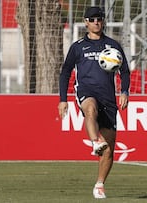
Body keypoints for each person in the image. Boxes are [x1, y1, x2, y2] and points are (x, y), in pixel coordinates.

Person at [58, 6, 130, 199]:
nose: (96, 22)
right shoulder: (78, 46)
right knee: (90, 110)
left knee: (108, 151)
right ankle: (94, 141)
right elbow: (65, 72)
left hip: (108, 97)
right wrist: (63, 100)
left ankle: (99, 184)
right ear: (86, 22)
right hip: (86, 91)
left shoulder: (113, 45)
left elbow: (124, 71)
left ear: (103, 21)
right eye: (92, 19)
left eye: (99, 19)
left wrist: (124, 91)